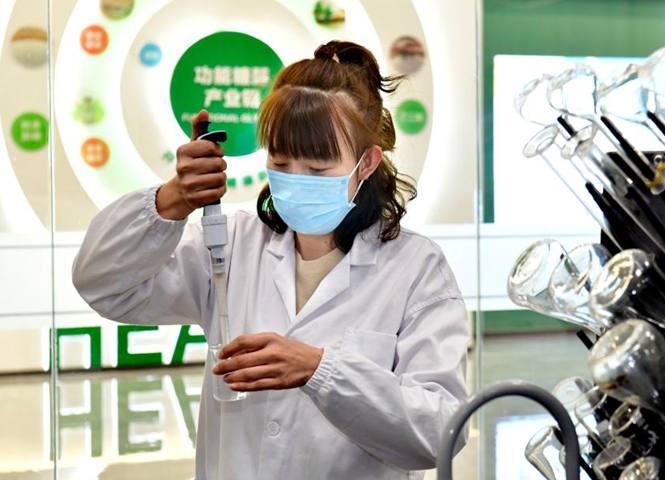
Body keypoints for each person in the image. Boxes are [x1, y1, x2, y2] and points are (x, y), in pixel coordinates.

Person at [72, 40, 469, 480]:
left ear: (367, 162)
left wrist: (320, 370)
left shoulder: (416, 269)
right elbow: (103, 285)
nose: (296, 180)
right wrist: (171, 200)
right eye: (281, 162)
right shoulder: (233, 245)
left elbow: (439, 431)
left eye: (319, 170)